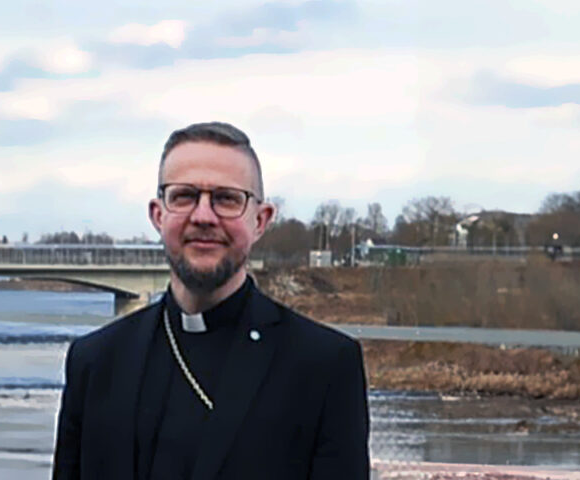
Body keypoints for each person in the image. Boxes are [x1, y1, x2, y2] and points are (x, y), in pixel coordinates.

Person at [52, 122, 370, 480]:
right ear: (158, 215)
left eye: (227, 198)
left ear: (260, 220)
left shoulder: (323, 367)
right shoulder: (95, 362)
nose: (203, 216)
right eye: (184, 196)